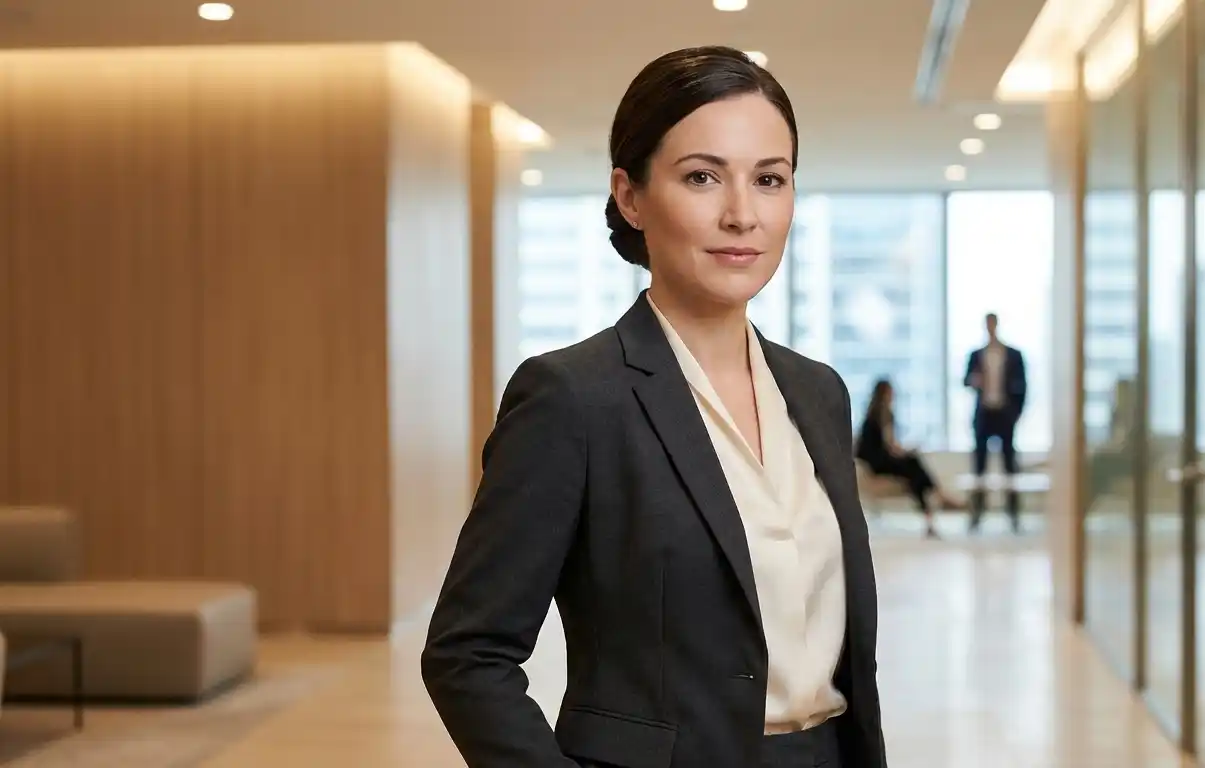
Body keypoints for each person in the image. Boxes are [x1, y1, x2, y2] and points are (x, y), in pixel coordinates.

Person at [421, 46, 887, 768]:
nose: (742, 215)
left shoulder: (818, 393)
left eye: (770, 179)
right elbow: (467, 655)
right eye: (702, 177)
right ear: (631, 196)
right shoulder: (572, 397)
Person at [854, 378, 964, 538]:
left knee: (915, 476)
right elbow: (890, 446)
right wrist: (906, 451)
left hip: (878, 461)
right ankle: (939, 496)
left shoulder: (871, 415)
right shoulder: (883, 415)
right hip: (878, 463)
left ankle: (933, 511)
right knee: (914, 464)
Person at [963, 312, 1027, 532]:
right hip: (984, 415)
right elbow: (965, 380)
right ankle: (976, 515)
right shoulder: (976, 355)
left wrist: (1016, 413)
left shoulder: (1013, 355)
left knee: (1010, 465)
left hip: (1004, 415)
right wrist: (974, 381)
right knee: (979, 467)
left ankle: (1014, 515)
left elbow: (1023, 386)